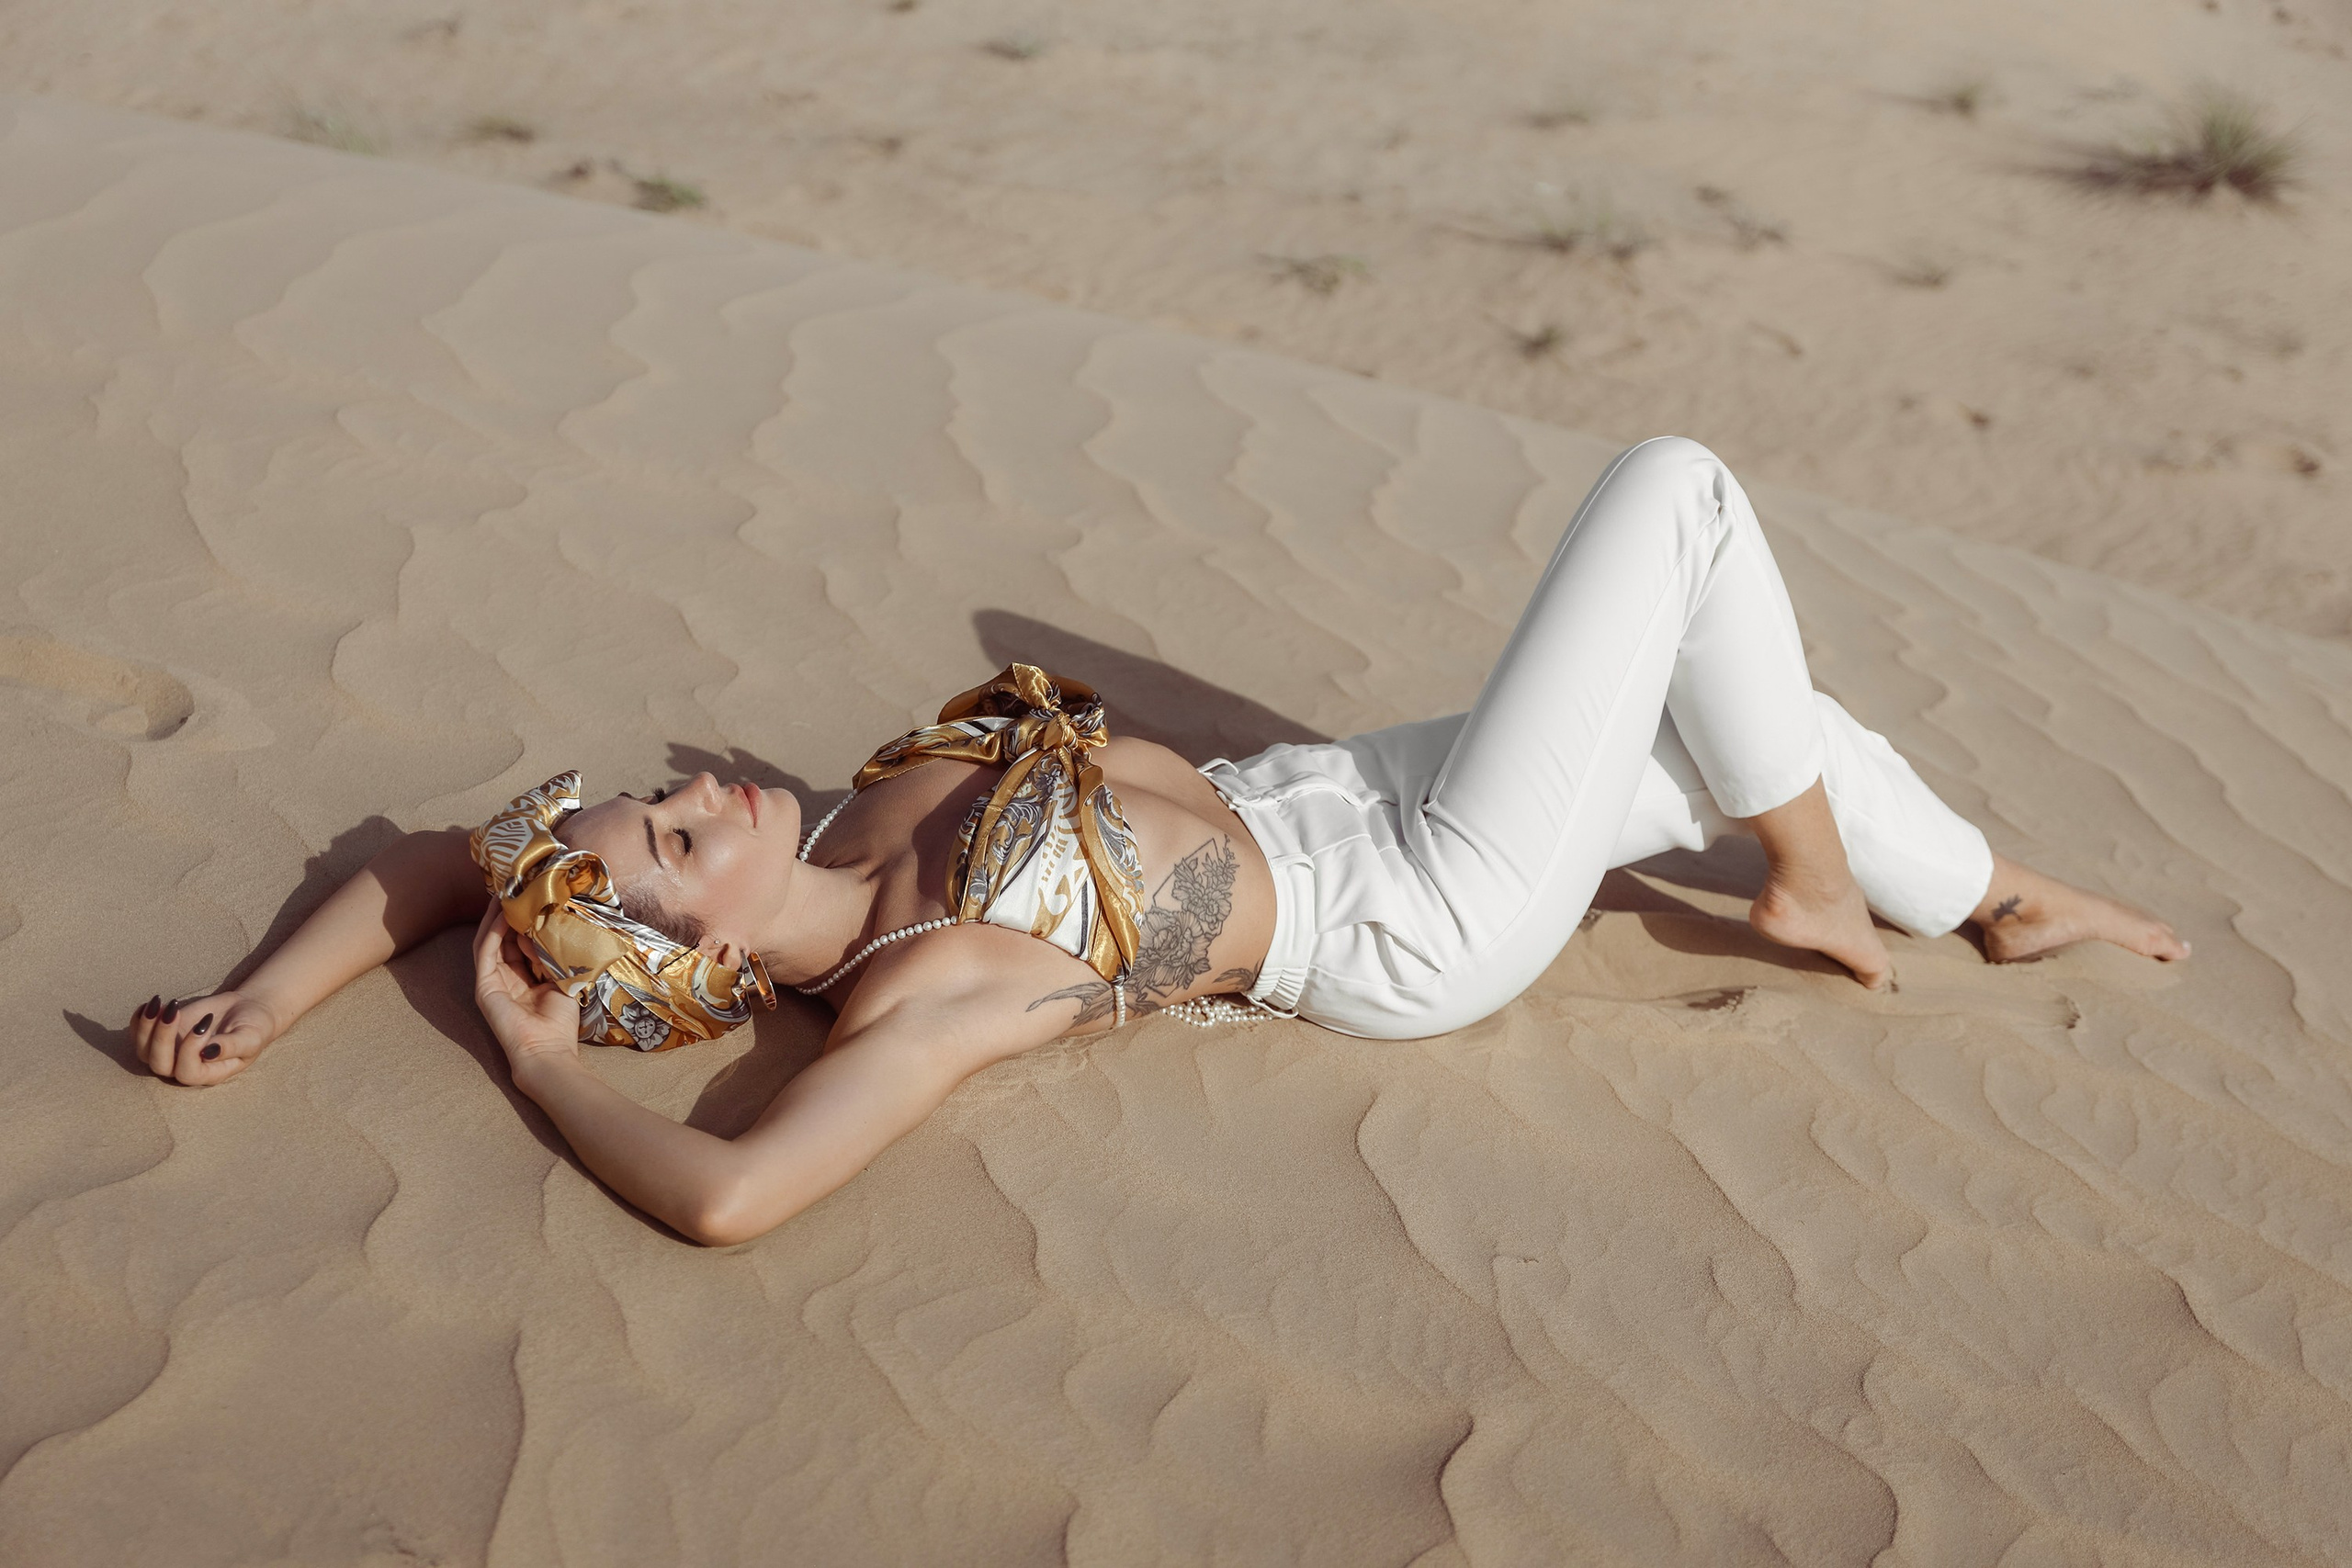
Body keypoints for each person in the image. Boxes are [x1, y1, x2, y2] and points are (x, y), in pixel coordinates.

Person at [130, 439, 2187, 1245]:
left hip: (1354, 786)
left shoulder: (848, 820)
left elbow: (430, 863)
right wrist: (545, 1063)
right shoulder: (933, 988)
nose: (696, 795)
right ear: (701, 955)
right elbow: (737, 1194)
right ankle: (1823, 885)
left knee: (1759, 710)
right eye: (675, 840)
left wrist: (259, 991)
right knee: (1677, 505)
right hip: (1413, 908)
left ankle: (1976, 891)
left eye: (658, 798)